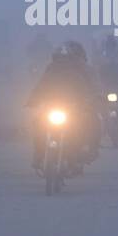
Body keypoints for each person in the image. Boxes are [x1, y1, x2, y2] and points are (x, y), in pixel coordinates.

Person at [25, 41, 100, 170]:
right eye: (60, 58)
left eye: (66, 58)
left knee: (88, 124)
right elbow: (41, 85)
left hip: (75, 107)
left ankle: (84, 151)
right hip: (52, 106)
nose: (63, 61)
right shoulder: (51, 69)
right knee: (37, 123)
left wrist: (95, 98)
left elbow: (92, 86)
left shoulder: (82, 70)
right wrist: (32, 100)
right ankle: (38, 154)